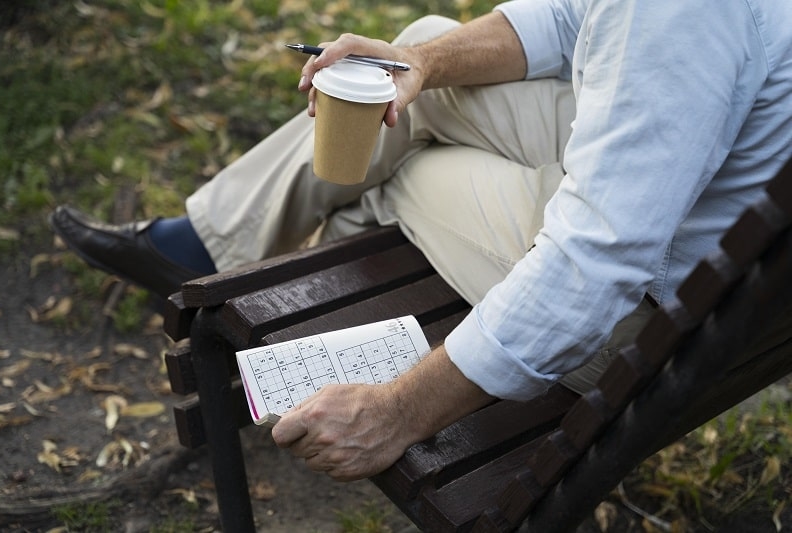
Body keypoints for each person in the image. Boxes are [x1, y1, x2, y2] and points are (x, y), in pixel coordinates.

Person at [50, 0, 792, 481]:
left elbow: (596, 262)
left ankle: (299, 353)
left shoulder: (681, 13)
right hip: (700, 200)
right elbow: (569, 20)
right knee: (417, 49)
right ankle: (211, 247)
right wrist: (424, 69)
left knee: (400, 168)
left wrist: (398, 413)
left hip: (648, 308)